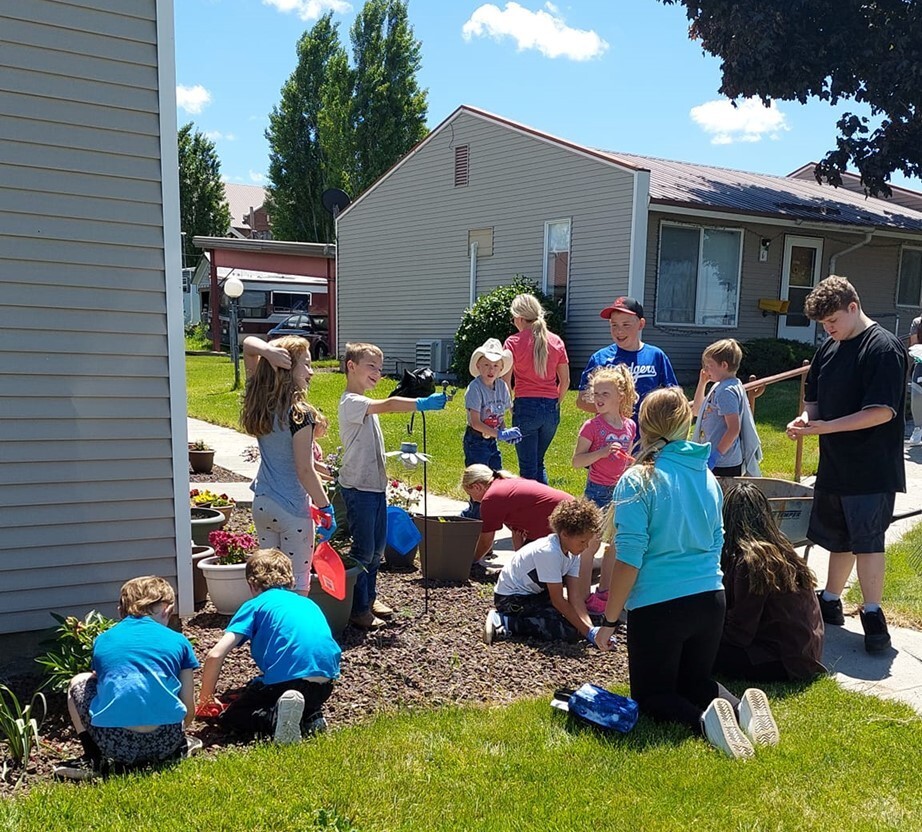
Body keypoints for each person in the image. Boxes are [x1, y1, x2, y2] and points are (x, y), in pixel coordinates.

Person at [593, 388, 779, 759]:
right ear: (686, 424)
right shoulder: (706, 477)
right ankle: (742, 708)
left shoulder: (637, 480)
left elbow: (629, 559)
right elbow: (717, 541)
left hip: (660, 606)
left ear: (642, 426)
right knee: (694, 681)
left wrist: (609, 620)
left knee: (652, 697)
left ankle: (704, 723)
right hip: (711, 598)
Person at [786, 275, 908, 653]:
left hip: (872, 467)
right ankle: (830, 600)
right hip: (835, 465)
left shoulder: (883, 349)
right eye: (823, 325)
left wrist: (827, 427)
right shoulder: (830, 347)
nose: (828, 329)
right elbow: (814, 396)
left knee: (868, 541)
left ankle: (872, 614)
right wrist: (806, 421)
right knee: (837, 538)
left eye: (832, 321)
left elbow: (881, 412)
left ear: (853, 307)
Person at [339, 342, 446, 628]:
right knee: (363, 551)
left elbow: (383, 405)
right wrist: (420, 404)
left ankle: (369, 598)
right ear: (351, 366)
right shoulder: (351, 401)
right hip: (358, 489)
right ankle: (358, 609)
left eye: (380, 367)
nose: (378, 372)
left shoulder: (363, 403)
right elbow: (387, 405)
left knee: (376, 551)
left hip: (374, 488)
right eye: (371, 366)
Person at [54, 577, 199, 780]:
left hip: (115, 744)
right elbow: (189, 707)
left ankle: (93, 758)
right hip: (166, 740)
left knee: (79, 680)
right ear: (167, 610)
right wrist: (179, 732)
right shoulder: (179, 641)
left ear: (121, 610)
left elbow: (101, 682)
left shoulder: (103, 640)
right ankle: (178, 749)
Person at [197, 549, 341, 743]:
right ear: (290, 580)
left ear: (252, 583)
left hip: (287, 683)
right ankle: (310, 714)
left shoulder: (255, 605)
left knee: (233, 716)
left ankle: (274, 719)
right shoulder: (308, 603)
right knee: (269, 687)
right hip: (324, 685)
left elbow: (215, 655)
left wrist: (205, 698)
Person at [241, 335, 335, 596]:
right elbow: (303, 469)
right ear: (286, 367)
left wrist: (267, 352)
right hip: (292, 510)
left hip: (263, 504)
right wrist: (326, 507)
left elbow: (248, 345)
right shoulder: (299, 413)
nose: (311, 371)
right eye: (306, 364)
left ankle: (264, 632)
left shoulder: (259, 401)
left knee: (266, 584)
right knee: (296, 589)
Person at [715, 482, 826, 682]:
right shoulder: (781, 547)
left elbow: (739, 634)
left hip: (781, 660)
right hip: (804, 653)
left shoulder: (750, 562)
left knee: (694, 651)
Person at [484, 499, 602, 644]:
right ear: (565, 534)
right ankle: (503, 621)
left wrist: (590, 630)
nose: (586, 547)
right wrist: (588, 633)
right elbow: (558, 600)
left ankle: (515, 621)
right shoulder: (549, 552)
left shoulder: (573, 553)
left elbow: (575, 597)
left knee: (574, 626)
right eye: (582, 541)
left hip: (535, 596)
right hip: (511, 599)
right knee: (564, 631)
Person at [571, 364, 637, 614]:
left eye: (604, 394)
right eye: (596, 394)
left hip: (619, 492)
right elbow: (577, 461)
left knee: (614, 545)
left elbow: (626, 457)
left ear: (621, 395)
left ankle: (605, 592)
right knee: (590, 545)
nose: (598, 399)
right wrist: (600, 453)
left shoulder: (629, 426)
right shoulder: (592, 427)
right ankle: (583, 592)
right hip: (596, 491)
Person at [503, 293, 570, 483]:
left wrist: (510, 406)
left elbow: (506, 381)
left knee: (527, 468)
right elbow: (564, 381)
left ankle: (529, 510)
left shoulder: (512, 342)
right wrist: (556, 402)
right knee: (539, 462)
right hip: (550, 408)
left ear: (520, 318)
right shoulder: (556, 341)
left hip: (525, 405)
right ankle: (545, 507)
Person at [577, 297, 677, 423]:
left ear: (641, 324)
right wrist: (614, 408)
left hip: (649, 435)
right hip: (611, 436)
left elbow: (673, 396)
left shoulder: (656, 356)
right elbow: (581, 400)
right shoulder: (600, 358)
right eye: (614, 325)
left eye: (626, 325)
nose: (619, 331)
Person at [461, 464, 575, 566]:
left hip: (567, 523)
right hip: (572, 513)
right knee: (525, 566)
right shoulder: (505, 482)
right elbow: (516, 530)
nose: (473, 500)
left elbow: (486, 542)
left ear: (477, 487)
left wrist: (470, 562)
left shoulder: (491, 499)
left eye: (470, 494)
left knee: (536, 573)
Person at [692, 338, 762, 477]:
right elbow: (696, 411)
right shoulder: (720, 385)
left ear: (723, 365)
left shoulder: (726, 391)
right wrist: (702, 383)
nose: (706, 369)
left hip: (723, 463)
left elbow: (734, 428)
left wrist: (715, 456)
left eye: (709, 365)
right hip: (714, 459)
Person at [463, 337, 521, 471]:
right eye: (486, 365)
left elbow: (500, 416)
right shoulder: (475, 388)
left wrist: (504, 431)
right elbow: (475, 423)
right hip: (476, 440)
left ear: (501, 368)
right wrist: (500, 434)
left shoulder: (502, 387)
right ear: (478, 366)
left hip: (492, 439)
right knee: (479, 478)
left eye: (495, 366)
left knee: (497, 474)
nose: (491, 370)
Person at [306, 404, 333, 482]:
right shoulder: (307, 446)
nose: (325, 429)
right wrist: (331, 478)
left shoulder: (317, 447)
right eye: (323, 426)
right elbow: (313, 467)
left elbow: (320, 465)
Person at [908, 310, 922, 446]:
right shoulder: (917, 322)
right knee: (917, 397)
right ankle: (918, 429)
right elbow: (914, 345)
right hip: (921, 363)